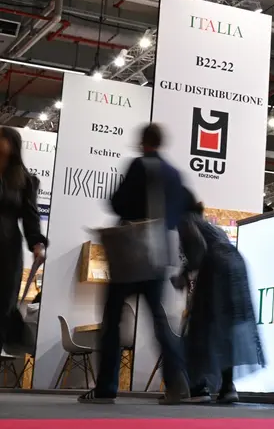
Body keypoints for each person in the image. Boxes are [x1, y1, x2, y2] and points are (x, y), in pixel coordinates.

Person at [79, 123, 187, 404]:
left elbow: (118, 203)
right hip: (158, 254)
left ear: (143, 142)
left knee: (112, 319)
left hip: (131, 254)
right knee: (160, 321)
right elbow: (179, 212)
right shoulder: (175, 174)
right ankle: (177, 382)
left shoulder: (139, 166)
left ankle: (106, 388)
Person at [173, 187, 265, 404]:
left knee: (201, 327)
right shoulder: (210, 226)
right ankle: (227, 386)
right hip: (236, 266)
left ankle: (199, 387)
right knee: (227, 329)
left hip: (215, 268)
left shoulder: (185, 221)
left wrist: (183, 275)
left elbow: (198, 251)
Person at [0, 127, 46, 352]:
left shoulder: (24, 180)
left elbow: (31, 216)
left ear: (12, 144)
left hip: (8, 251)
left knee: (3, 308)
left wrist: (37, 243)